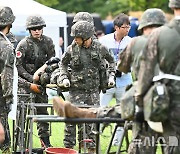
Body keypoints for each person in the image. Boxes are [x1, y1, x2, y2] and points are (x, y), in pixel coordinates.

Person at [51, 11, 115, 151]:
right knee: (71, 122)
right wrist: (64, 77)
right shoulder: (71, 49)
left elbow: (111, 61)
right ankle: (68, 149)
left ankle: (90, 149)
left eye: (78, 38)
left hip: (93, 91)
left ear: (86, 37)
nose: (75, 40)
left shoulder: (100, 48)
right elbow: (62, 63)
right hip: (76, 91)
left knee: (91, 122)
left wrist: (111, 76)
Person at [118, 8, 167, 153]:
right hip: (170, 102)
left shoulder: (135, 43)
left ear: (143, 26)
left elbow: (123, 67)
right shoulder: (173, 43)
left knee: (142, 146)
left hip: (144, 103)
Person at [135, 0, 180, 153]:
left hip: (173, 99)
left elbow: (146, 71)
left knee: (174, 143)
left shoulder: (158, 35)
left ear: (173, 6)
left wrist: (140, 100)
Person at [15, 14, 55, 148]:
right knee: (22, 116)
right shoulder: (23, 44)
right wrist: (30, 79)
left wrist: (45, 77)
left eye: (39, 28)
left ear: (42, 28)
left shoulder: (48, 42)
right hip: (25, 85)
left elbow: (52, 61)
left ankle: (45, 142)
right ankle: (20, 143)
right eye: (34, 29)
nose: (37, 30)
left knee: (43, 113)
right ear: (29, 30)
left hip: (41, 84)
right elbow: (18, 66)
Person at [99, 13, 133, 146]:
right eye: (125, 27)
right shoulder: (104, 41)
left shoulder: (131, 42)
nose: (127, 29)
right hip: (107, 82)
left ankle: (116, 142)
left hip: (125, 81)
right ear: (116, 27)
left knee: (122, 113)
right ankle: (96, 138)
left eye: (129, 27)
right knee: (101, 111)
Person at [0, 6, 15, 154]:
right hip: (0, 96)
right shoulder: (6, 46)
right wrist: (9, 97)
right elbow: (6, 75)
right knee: (3, 137)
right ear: (9, 24)